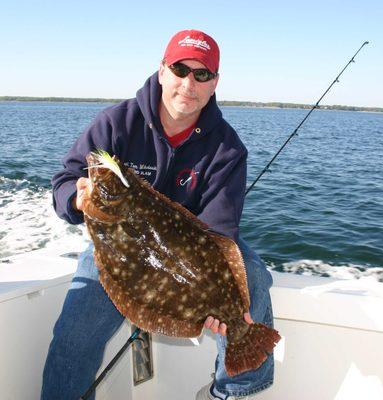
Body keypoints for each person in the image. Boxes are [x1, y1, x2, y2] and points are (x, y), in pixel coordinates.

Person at [41, 29, 275, 400]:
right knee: (74, 335)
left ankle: (235, 390)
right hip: (117, 247)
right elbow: (64, 183)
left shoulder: (228, 148)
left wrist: (216, 301)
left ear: (214, 82)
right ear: (162, 70)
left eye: (202, 75)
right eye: (181, 69)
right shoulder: (117, 122)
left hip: (193, 250)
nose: (188, 83)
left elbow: (219, 229)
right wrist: (78, 199)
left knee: (255, 278)